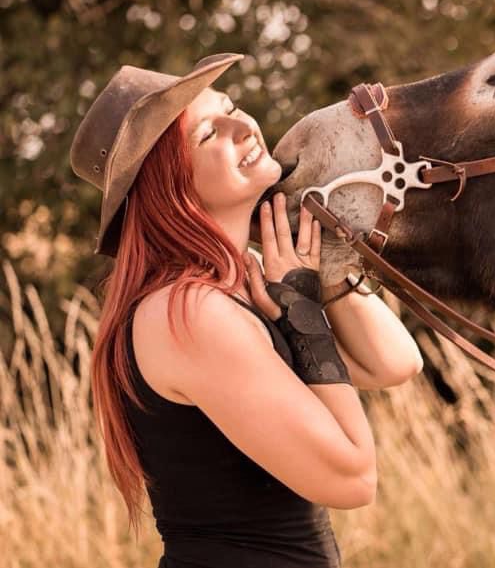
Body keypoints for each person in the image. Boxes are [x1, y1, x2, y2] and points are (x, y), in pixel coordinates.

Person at [69, 53, 423, 567]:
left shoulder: (242, 280)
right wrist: (301, 313)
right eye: (209, 134)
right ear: (170, 186)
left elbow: (393, 363)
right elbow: (352, 478)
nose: (243, 126)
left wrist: (316, 272)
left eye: (231, 107)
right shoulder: (188, 313)